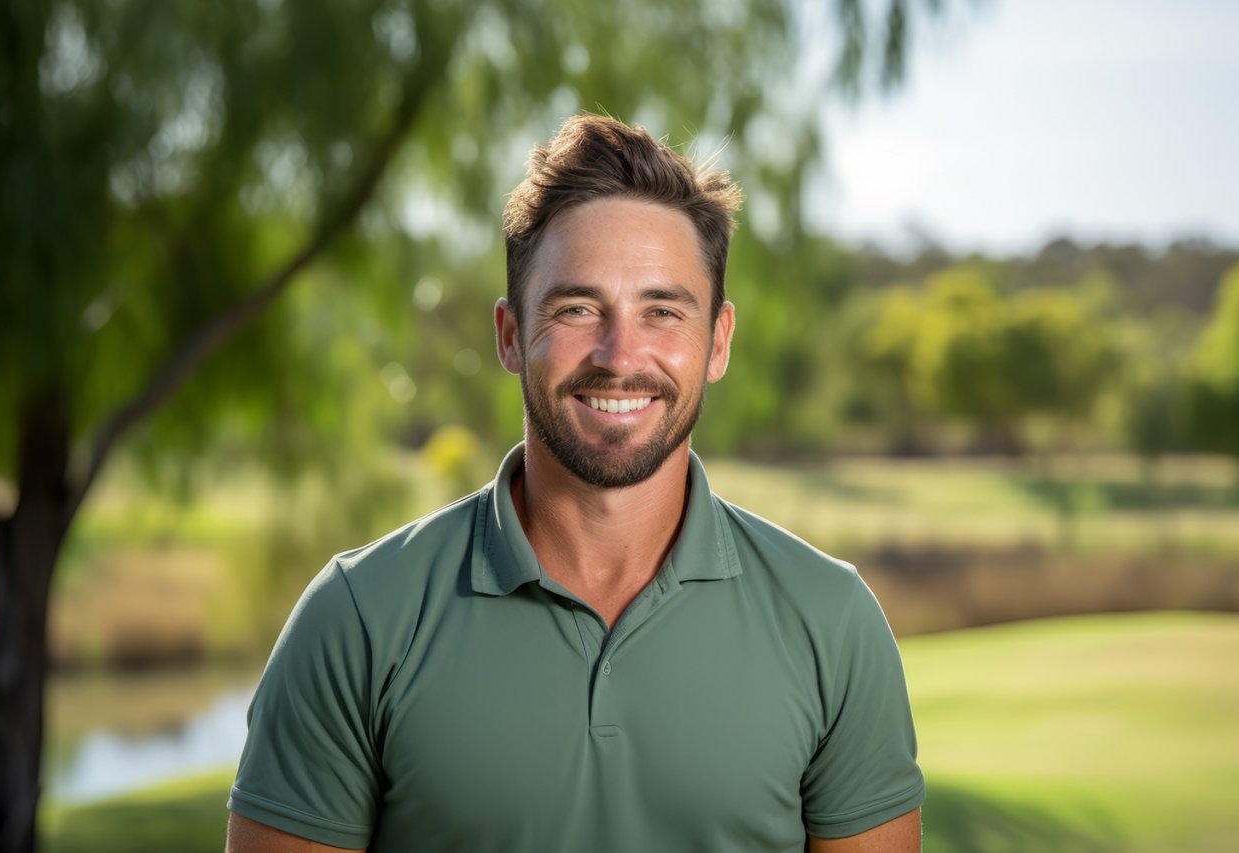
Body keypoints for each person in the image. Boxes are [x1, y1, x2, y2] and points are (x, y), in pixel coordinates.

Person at [226, 113, 924, 853]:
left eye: (662, 311)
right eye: (578, 308)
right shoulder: (357, 618)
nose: (621, 355)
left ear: (717, 342)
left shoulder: (832, 621)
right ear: (509, 334)